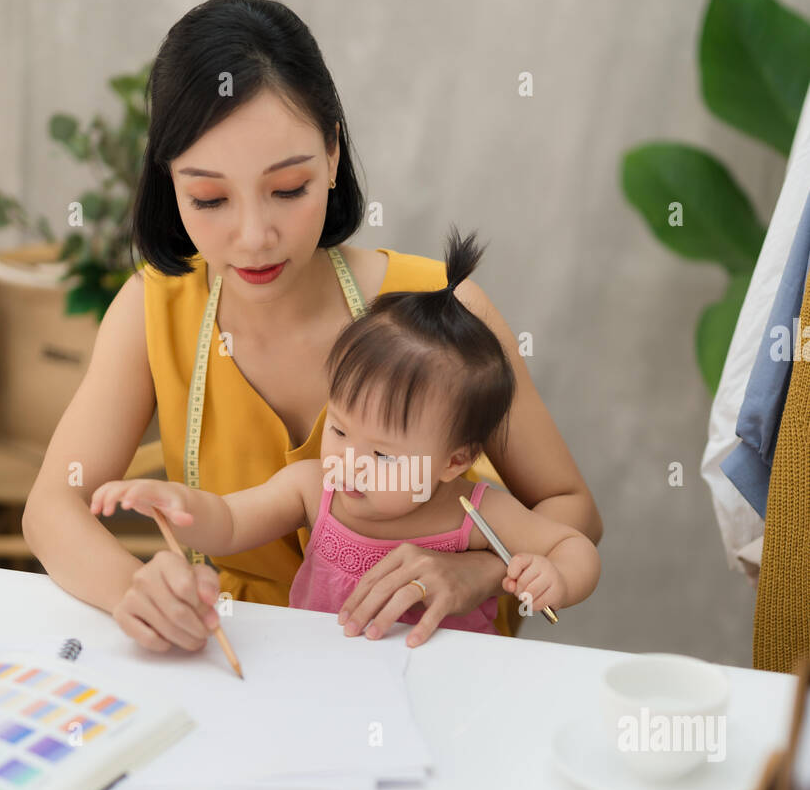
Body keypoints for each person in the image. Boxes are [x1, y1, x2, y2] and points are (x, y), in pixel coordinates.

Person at [22, 0, 602, 655]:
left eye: (288, 188)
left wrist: (477, 569)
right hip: (250, 660)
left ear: (331, 155)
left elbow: (570, 510)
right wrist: (134, 589)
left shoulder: (442, 310)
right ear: (169, 183)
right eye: (208, 197)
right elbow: (50, 509)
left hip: (426, 660)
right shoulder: (155, 307)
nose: (253, 237)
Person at [90, 226, 601, 640]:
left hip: (448, 691)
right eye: (337, 428)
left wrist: (553, 578)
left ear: (453, 461)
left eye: (382, 454)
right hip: (327, 683)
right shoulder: (314, 488)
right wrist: (174, 503)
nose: (349, 462)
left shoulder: (478, 514)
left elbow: (575, 546)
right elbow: (225, 521)